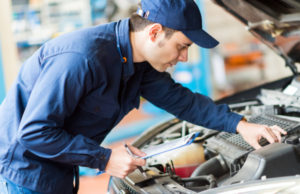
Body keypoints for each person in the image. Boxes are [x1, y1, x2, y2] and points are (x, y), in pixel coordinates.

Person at [0, 0, 286, 193]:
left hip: (58, 167)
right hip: (25, 172)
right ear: (154, 32)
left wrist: (241, 125)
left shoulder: (138, 65)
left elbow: (183, 102)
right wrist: (104, 158)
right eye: (182, 46)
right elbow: (34, 133)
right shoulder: (82, 59)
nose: (184, 57)